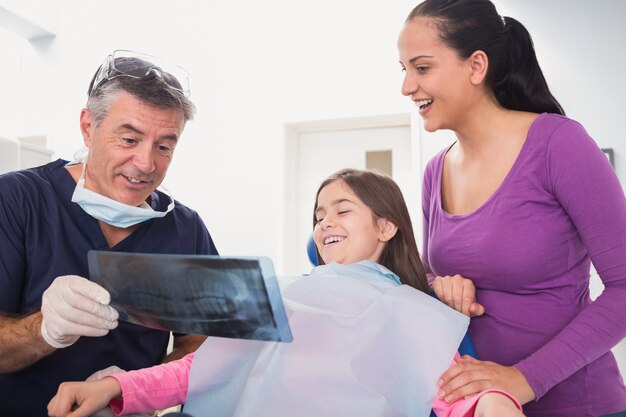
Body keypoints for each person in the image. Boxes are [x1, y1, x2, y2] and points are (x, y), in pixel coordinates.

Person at [47, 169, 524, 417]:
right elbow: (204, 369)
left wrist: (494, 402)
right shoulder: (286, 295)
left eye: (342, 210)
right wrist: (112, 387)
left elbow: (455, 389)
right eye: (318, 215)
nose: (325, 223)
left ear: (386, 225)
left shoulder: (417, 312)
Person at [397, 1, 626, 416]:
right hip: (479, 409)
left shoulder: (559, 144)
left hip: (578, 406)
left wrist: (523, 379)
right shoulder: (435, 171)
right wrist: (440, 287)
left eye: (422, 68)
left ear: (476, 65)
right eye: (404, 70)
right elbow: (431, 274)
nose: (407, 86)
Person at [0, 50, 218, 416]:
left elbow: (203, 343)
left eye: (164, 146)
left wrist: (132, 390)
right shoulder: (16, 201)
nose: (146, 164)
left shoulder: (186, 230)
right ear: (88, 127)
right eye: (129, 140)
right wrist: (45, 329)